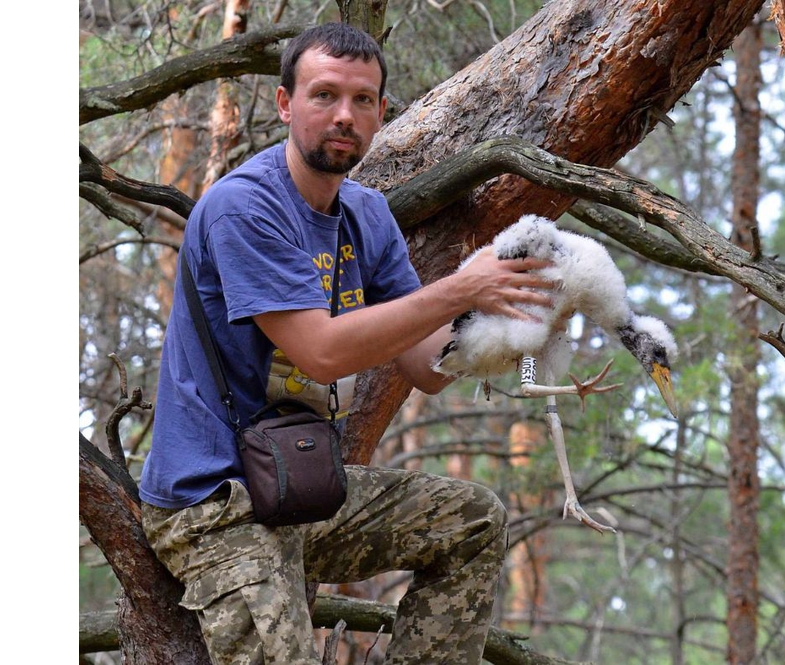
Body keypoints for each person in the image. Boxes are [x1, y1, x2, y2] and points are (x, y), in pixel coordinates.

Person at [138, 22, 554, 665]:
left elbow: (426, 367)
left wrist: (521, 322)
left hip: (298, 486)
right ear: (285, 105)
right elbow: (322, 352)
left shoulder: (367, 214)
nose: (345, 116)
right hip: (214, 505)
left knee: (473, 521)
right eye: (324, 95)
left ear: (382, 112)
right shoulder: (243, 207)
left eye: (363, 101)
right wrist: (462, 288)